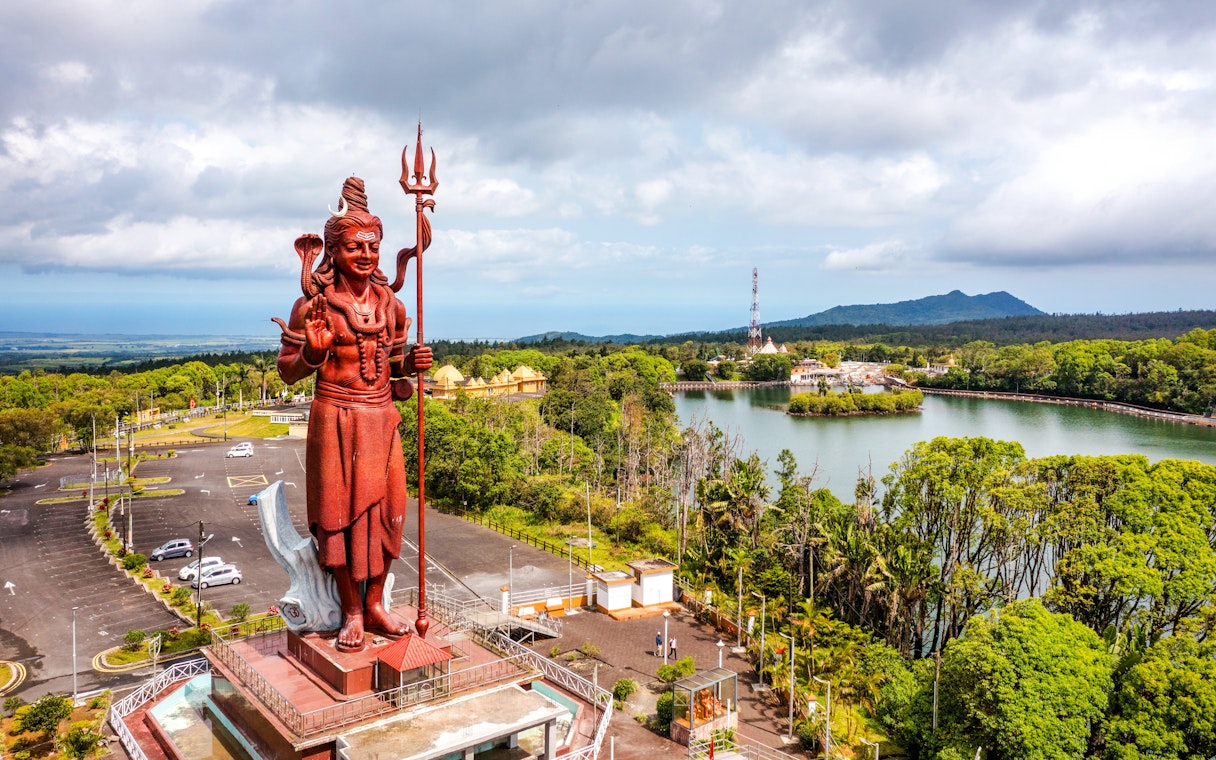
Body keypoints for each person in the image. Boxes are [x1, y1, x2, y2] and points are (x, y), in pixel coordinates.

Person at [277, 176, 432, 652]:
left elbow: (397, 374)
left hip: (381, 417)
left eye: (372, 246)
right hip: (336, 419)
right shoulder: (313, 305)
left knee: (390, 513)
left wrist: (412, 363)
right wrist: (314, 355)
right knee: (339, 520)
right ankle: (350, 610)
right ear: (333, 251)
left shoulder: (393, 305)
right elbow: (287, 371)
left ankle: (377, 605)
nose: (365, 255)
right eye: (353, 247)